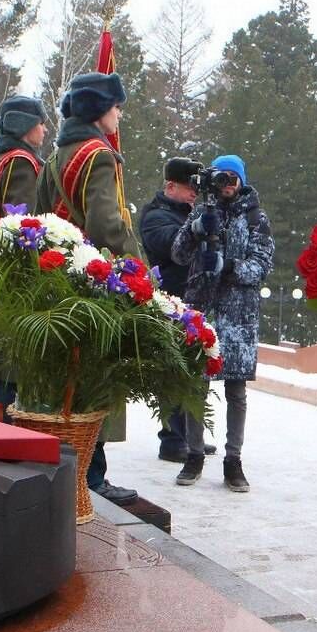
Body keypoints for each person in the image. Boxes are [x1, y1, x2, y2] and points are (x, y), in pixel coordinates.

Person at [36, 71, 138, 505]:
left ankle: (65, 469)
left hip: (58, 278)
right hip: (93, 282)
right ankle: (92, 476)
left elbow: (40, 219)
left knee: (66, 380)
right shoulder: (99, 155)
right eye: (116, 106)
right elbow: (106, 226)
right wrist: (134, 267)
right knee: (93, 377)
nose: (119, 114)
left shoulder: (56, 157)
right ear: (100, 110)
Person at [171, 155, 274, 492]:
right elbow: (178, 254)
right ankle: (194, 454)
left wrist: (229, 267)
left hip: (239, 315)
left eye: (234, 178)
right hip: (203, 308)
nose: (228, 185)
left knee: (236, 390)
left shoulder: (256, 218)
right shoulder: (202, 212)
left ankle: (233, 460)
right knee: (196, 386)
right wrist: (196, 231)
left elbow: (261, 264)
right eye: (222, 178)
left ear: (242, 180)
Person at [140, 157, 216, 463]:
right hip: (171, 301)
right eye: (187, 188)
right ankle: (172, 439)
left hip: (194, 299)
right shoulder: (155, 216)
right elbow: (174, 247)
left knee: (195, 371)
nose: (193, 194)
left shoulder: (186, 212)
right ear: (170, 186)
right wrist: (196, 225)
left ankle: (191, 436)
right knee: (173, 372)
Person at [0, 96, 48, 409]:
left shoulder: (9, 159)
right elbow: (22, 224)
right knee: (14, 370)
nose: (45, 129)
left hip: (4, 273)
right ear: (25, 126)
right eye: (40, 122)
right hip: (18, 277)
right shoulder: (21, 163)